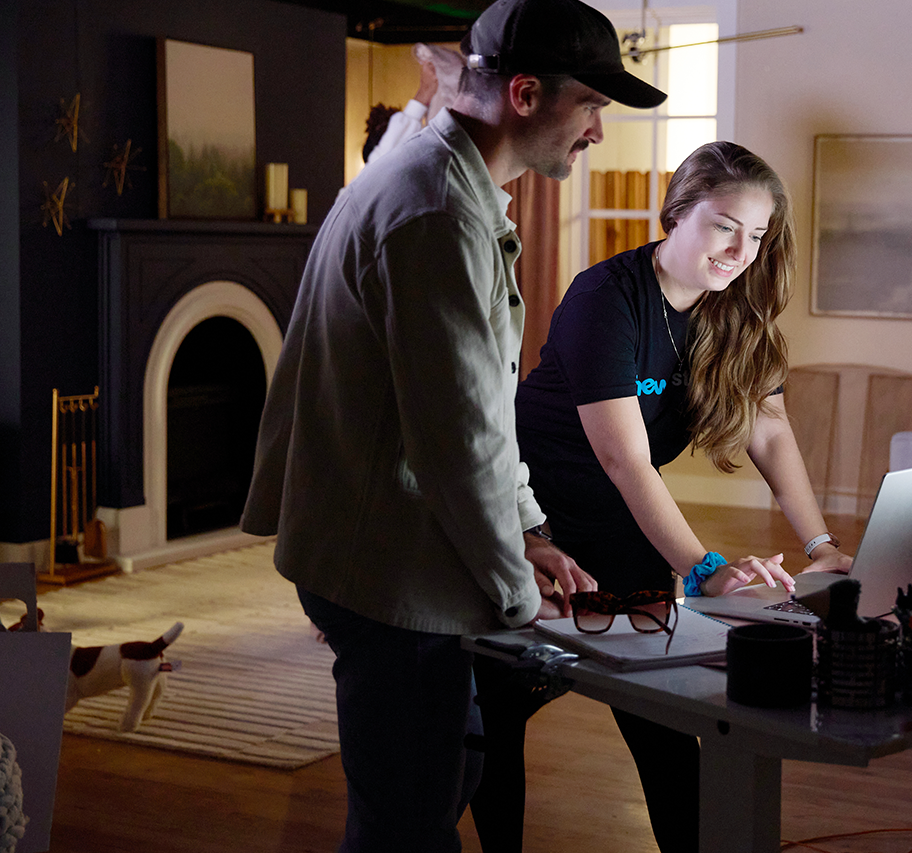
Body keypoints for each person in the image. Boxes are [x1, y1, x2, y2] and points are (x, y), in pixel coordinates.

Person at [239, 0, 667, 849]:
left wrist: (533, 531)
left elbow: (478, 409)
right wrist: (517, 598)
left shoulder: (449, 187)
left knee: (444, 777)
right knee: (406, 821)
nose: (597, 133)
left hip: (386, 547)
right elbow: (461, 440)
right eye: (591, 106)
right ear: (523, 93)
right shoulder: (438, 212)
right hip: (384, 564)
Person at [470, 141, 854, 853]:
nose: (741, 249)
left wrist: (820, 544)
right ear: (677, 213)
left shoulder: (732, 310)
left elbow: (770, 430)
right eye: (724, 225)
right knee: (500, 709)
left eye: (758, 234)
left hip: (617, 522)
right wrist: (705, 566)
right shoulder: (604, 298)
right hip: (526, 515)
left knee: (663, 713)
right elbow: (626, 460)